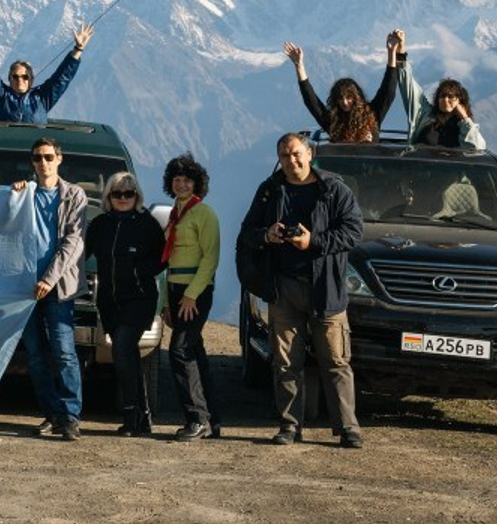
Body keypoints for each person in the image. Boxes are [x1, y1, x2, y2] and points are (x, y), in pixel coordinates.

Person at [236, 132, 364, 448]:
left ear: (309, 153)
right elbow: (247, 232)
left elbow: (353, 232)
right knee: (284, 362)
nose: (291, 161)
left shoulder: (334, 190)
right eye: (284, 156)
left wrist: (314, 242)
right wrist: (267, 234)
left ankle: (348, 428)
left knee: (335, 360)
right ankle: (290, 425)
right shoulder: (270, 191)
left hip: (327, 290)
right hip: (284, 288)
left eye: (295, 154)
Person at [11, 136, 86, 440]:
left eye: (48, 157)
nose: (43, 163)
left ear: (59, 158)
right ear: (32, 162)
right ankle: (52, 413)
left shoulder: (74, 196)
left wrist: (49, 279)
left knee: (64, 351)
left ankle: (70, 415)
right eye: (37, 158)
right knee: (36, 355)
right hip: (23, 287)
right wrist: (13, 192)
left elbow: (74, 241)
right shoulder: (23, 194)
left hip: (58, 287)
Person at [85, 170, 164, 436]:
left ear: (136, 196)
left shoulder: (146, 223)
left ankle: (132, 416)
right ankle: (143, 417)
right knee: (126, 355)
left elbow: (162, 256)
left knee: (122, 347)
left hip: (139, 300)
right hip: (109, 301)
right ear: (108, 196)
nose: (122, 198)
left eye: (128, 193)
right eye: (117, 193)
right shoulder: (100, 224)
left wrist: (142, 270)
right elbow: (81, 254)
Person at [161, 153, 222, 441]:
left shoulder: (204, 213)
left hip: (194, 291)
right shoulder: (175, 212)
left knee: (179, 351)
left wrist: (191, 296)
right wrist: (165, 302)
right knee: (195, 353)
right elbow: (167, 260)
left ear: (197, 184)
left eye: (187, 180)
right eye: (176, 179)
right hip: (174, 289)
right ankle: (213, 419)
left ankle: (196, 418)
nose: (181, 184)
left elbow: (210, 258)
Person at [0, 9, 93, 123]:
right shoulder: (0, 96)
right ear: (10, 79)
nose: (20, 80)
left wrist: (78, 49)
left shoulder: (42, 98)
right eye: (15, 76)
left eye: (25, 76)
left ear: (31, 79)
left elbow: (62, 78)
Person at [283, 33, 399, 143]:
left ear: (356, 97)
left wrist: (391, 52)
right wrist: (299, 65)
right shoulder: (332, 121)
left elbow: (388, 90)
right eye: (340, 98)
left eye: (349, 97)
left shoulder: (372, 115)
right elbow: (311, 100)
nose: (344, 102)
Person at [392, 28, 486, 149]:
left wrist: (465, 119)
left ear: (460, 100)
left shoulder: (465, 128)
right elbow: (408, 85)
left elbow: (478, 149)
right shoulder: (425, 115)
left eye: (451, 96)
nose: (445, 99)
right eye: (442, 96)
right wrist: (400, 50)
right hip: (419, 166)